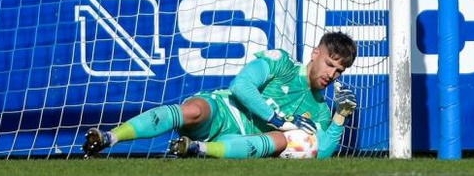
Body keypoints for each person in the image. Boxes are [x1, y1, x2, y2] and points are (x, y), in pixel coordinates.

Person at [82, 32, 358, 160]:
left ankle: (197, 149)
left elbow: (318, 153)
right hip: (225, 110)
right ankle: (110, 137)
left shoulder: (321, 110)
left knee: (279, 141)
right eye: (330, 64)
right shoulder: (281, 62)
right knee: (193, 110)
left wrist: (339, 118)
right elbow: (241, 86)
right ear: (315, 54)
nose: (332, 73)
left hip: (244, 138)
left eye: (339, 70)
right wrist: (278, 118)